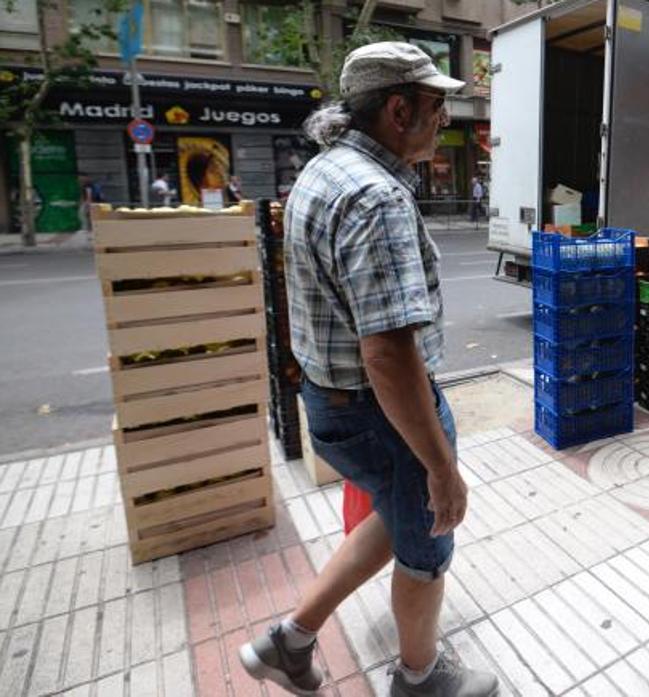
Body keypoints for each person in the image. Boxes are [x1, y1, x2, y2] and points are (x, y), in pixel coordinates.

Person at [238, 42, 496, 697]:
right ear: (399, 108)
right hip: (380, 412)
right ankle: (418, 677)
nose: (446, 118)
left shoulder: (322, 172)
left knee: (395, 514)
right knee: (427, 536)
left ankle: (288, 641)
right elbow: (387, 352)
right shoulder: (374, 196)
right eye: (437, 106)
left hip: (331, 405)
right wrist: (441, 466)